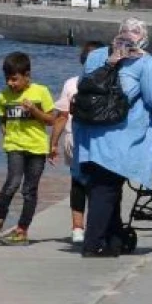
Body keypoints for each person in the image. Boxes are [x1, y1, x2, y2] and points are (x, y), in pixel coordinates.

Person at [72, 19, 152, 257]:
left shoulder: (97, 56)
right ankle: (93, 244)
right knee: (107, 188)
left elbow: (83, 84)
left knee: (104, 186)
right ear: (143, 38)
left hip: (90, 131)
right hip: (120, 135)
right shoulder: (144, 62)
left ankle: (113, 242)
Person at [0, 52, 58, 246]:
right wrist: (7, 136)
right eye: (7, 79)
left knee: (29, 190)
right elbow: (2, 119)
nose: (11, 83)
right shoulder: (3, 96)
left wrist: (34, 111)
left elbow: (51, 119)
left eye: (15, 79)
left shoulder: (40, 92)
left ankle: (21, 231)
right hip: (15, 146)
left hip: (37, 148)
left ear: (27, 75)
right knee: (12, 183)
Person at [49, 41, 105, 244]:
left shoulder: (72, 83)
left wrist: (53, 144)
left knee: (78, 182)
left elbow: (62, 116)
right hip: (101, 140)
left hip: (74, 138)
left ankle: (78, 228)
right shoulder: (111, 82)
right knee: (100, 184)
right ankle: (99, 225)